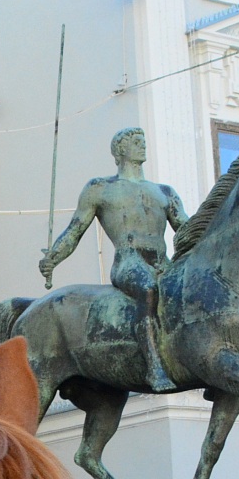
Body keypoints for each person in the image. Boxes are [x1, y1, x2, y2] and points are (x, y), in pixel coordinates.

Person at [39, 127, 187, 392]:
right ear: (120, 150)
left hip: (164, 263)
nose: (143, 145)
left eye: (143, 140)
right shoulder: (101, 188)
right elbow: (75, 231)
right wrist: (53, 259)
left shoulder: (165, 192)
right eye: (135, 141)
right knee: (148, 289)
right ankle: (154, 367)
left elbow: (187, 230)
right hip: (130, 263)